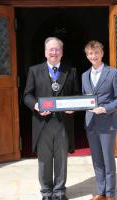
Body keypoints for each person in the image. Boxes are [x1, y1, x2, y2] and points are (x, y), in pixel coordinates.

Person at [24, 37, 79, 200]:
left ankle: (60, 191)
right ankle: (47, 192)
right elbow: (27, 95)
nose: (54, 52)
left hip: (63, 122)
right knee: (44, 159)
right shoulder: (34, 70)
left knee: (61, 158)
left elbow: (76, 94)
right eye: (51, 49)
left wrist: (73, 106)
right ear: (45, 52)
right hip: (42, 122)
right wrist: (36, 106)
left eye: (57, 49)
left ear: (61, 52)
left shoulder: (71, 71)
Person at [82, 40, 117, 200]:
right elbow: (84, 99)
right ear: (87, 56)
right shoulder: (84, 75)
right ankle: (101, 192)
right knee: (97, 160)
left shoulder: (113, 73)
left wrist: (105, 108)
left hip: (107, 122)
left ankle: (110, 194)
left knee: (108, 159)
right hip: (90, 123)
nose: (94, 56)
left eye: (96, 52)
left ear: (102, 53)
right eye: (90, 53)